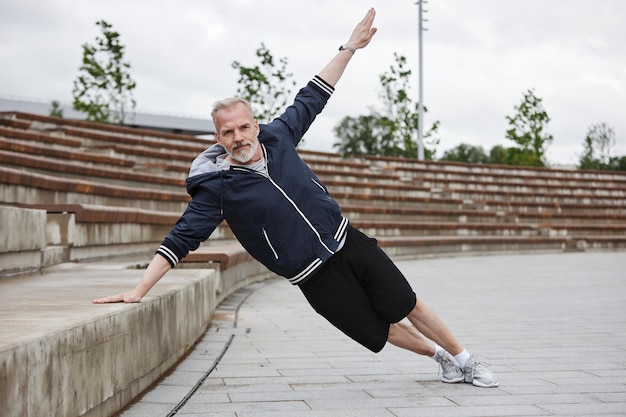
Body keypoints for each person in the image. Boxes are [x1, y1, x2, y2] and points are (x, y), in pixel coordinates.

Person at [94, 8, 498, 388]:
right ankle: (439, 357)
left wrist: (350, 48)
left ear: (254, 124)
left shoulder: (278, 135)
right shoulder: (215, 185)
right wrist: (140, 290)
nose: (238, 138)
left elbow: (314, 94)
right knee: (379, 328)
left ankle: (466, 359)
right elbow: (182, 238)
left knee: (407, 302)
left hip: (346, 240)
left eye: (243, 127)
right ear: (217, 138)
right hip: (311, 274)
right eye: (228, 133)